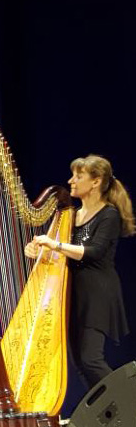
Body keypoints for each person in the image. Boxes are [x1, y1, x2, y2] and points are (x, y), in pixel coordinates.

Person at [25, 155, 133, 389]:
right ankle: (108, 420)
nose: (71, 180)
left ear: (96, 182)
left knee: (91, 359)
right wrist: (37, 249)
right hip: (74, 294)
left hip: (97, 294)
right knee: (81, 364)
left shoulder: (109, 215)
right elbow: (61, 253)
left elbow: (93, 252)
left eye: (78, 176)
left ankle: (128, 403)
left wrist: (55, 246)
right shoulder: (69, 216)